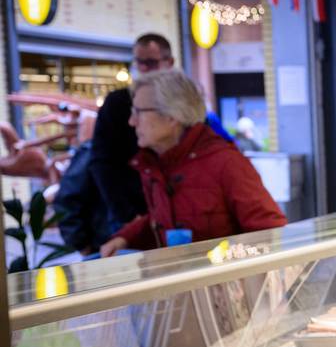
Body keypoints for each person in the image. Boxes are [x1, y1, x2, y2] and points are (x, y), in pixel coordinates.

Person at [98, 70, 285, 256]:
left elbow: (270, 233)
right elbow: (161, 219)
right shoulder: (154, 165)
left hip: (223, 283)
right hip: (182, 282)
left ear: (172, 116)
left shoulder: (226, 163)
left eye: (139, 112)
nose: (132, 121)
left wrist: (220, 262)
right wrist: (125, 238)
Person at [90, 34, 236, 244]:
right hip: (140, 210)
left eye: (150, 62)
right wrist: (127, 220)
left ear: (172, 117)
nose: (133, 121)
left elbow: (264, 226)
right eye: (139, 62)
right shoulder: (118, 105)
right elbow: (103, 163)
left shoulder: (218, 156)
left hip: (183, 214)